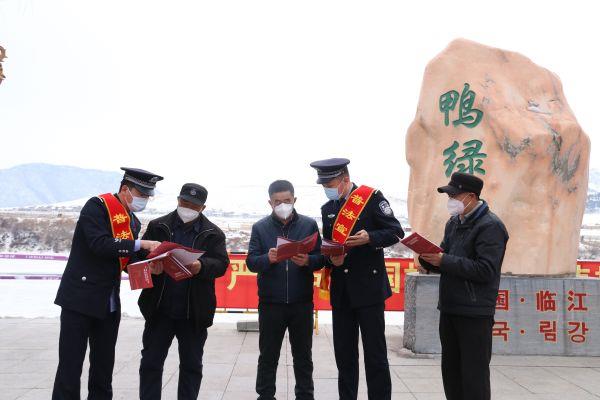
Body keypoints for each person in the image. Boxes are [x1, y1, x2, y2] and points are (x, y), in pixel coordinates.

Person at [53, 167, 163, 400]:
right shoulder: (97, 207)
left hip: (108, 304)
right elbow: (100, 244)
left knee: (103, 369)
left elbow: (125, 261)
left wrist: (149, 267)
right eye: (141, 194)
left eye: (147, 196)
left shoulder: (132, 222)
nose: (144, 200)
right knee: (70, 367)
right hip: (80, 301)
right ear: (125, 189)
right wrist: (140, 244)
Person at [309, 158, 404, 400]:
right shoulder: (327, 209)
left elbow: (395, 232)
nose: (327, 189)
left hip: (369, 290)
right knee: (344, 356)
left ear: (345, 179)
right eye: (324, 186)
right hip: (342, 292)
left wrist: (370, 237)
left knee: (375, 355)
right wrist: (333, 260)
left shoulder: (371, 198)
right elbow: (329, 246)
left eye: (330, 185)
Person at [419, 172, 509, 400]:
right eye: (449, 196)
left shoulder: (491, 226)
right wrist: (427, 259)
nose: (450, 200)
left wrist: (444, 260)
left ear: (471, 197)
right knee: (451, 372)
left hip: (475, 312)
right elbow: (445, 257)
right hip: (450, 307)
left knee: (474, 376)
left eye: (454, 196)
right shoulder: (454, 223)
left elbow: (485, 270)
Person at [138, 183, 230, 400]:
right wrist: (150, 266)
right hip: (159, 309)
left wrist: (201, 266)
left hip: (194, 312)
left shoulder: (213, 233)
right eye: (184, 202)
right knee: (151, 363)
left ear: (203, 208)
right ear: (178, 200)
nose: (188, 208)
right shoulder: (158, 226)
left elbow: (221, 264)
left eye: (194, 206)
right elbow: (140, 258)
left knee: (191, 366)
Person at [246, 180, 324, 400]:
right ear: (270, 203)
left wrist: (308, 260)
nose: (282, 205)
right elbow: (251, 262)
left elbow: (321, 258)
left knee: (303, 356)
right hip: (271, 303)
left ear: (294, 200)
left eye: (287, 201)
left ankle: (305, 396)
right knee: (268, 356)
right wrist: (267, 259)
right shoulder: (260, 227)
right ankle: (265, 396)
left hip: (301, 302)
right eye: (277, 202)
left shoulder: (308, 225)